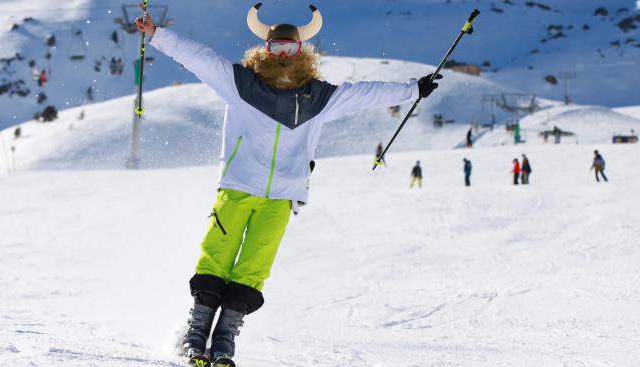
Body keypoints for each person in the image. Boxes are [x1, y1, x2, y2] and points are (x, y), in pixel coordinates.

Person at [135, 3, 442, 363]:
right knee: (216, 257)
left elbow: (365, 94)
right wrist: (158, 35)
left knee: (254, 265)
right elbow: (200, 58)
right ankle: (197, 330)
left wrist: (412, 90)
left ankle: (225, 339)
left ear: (302, 52)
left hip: (281, 198)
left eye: (289, 48)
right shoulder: (240, 84)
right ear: (263, 50)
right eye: (276, 47)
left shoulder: (319, 98)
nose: (282, 55)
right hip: (237, 188)